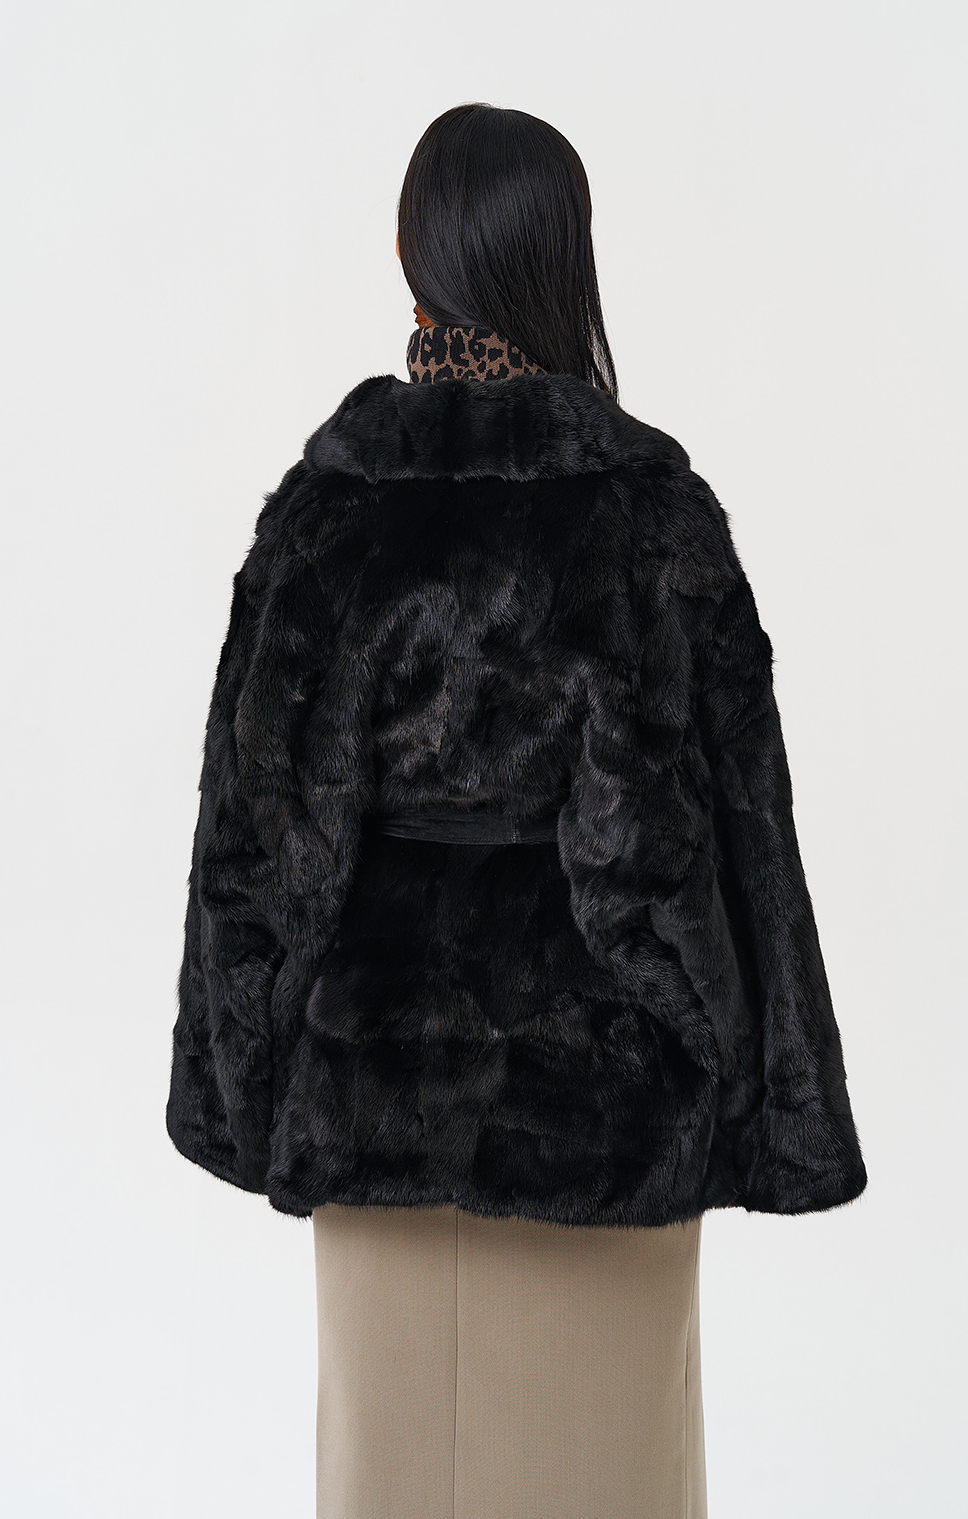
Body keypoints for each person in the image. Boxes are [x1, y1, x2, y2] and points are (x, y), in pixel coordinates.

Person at [167, 102, 867, 1519]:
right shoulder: (649, 509)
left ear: (409, 260)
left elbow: (260, 846)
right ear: (566, 258)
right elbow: (719, 833)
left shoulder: (325, 512)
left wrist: (238, 1094)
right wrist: (764, 1097)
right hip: (603, 1115)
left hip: (373, 1104)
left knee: (391, 1480)